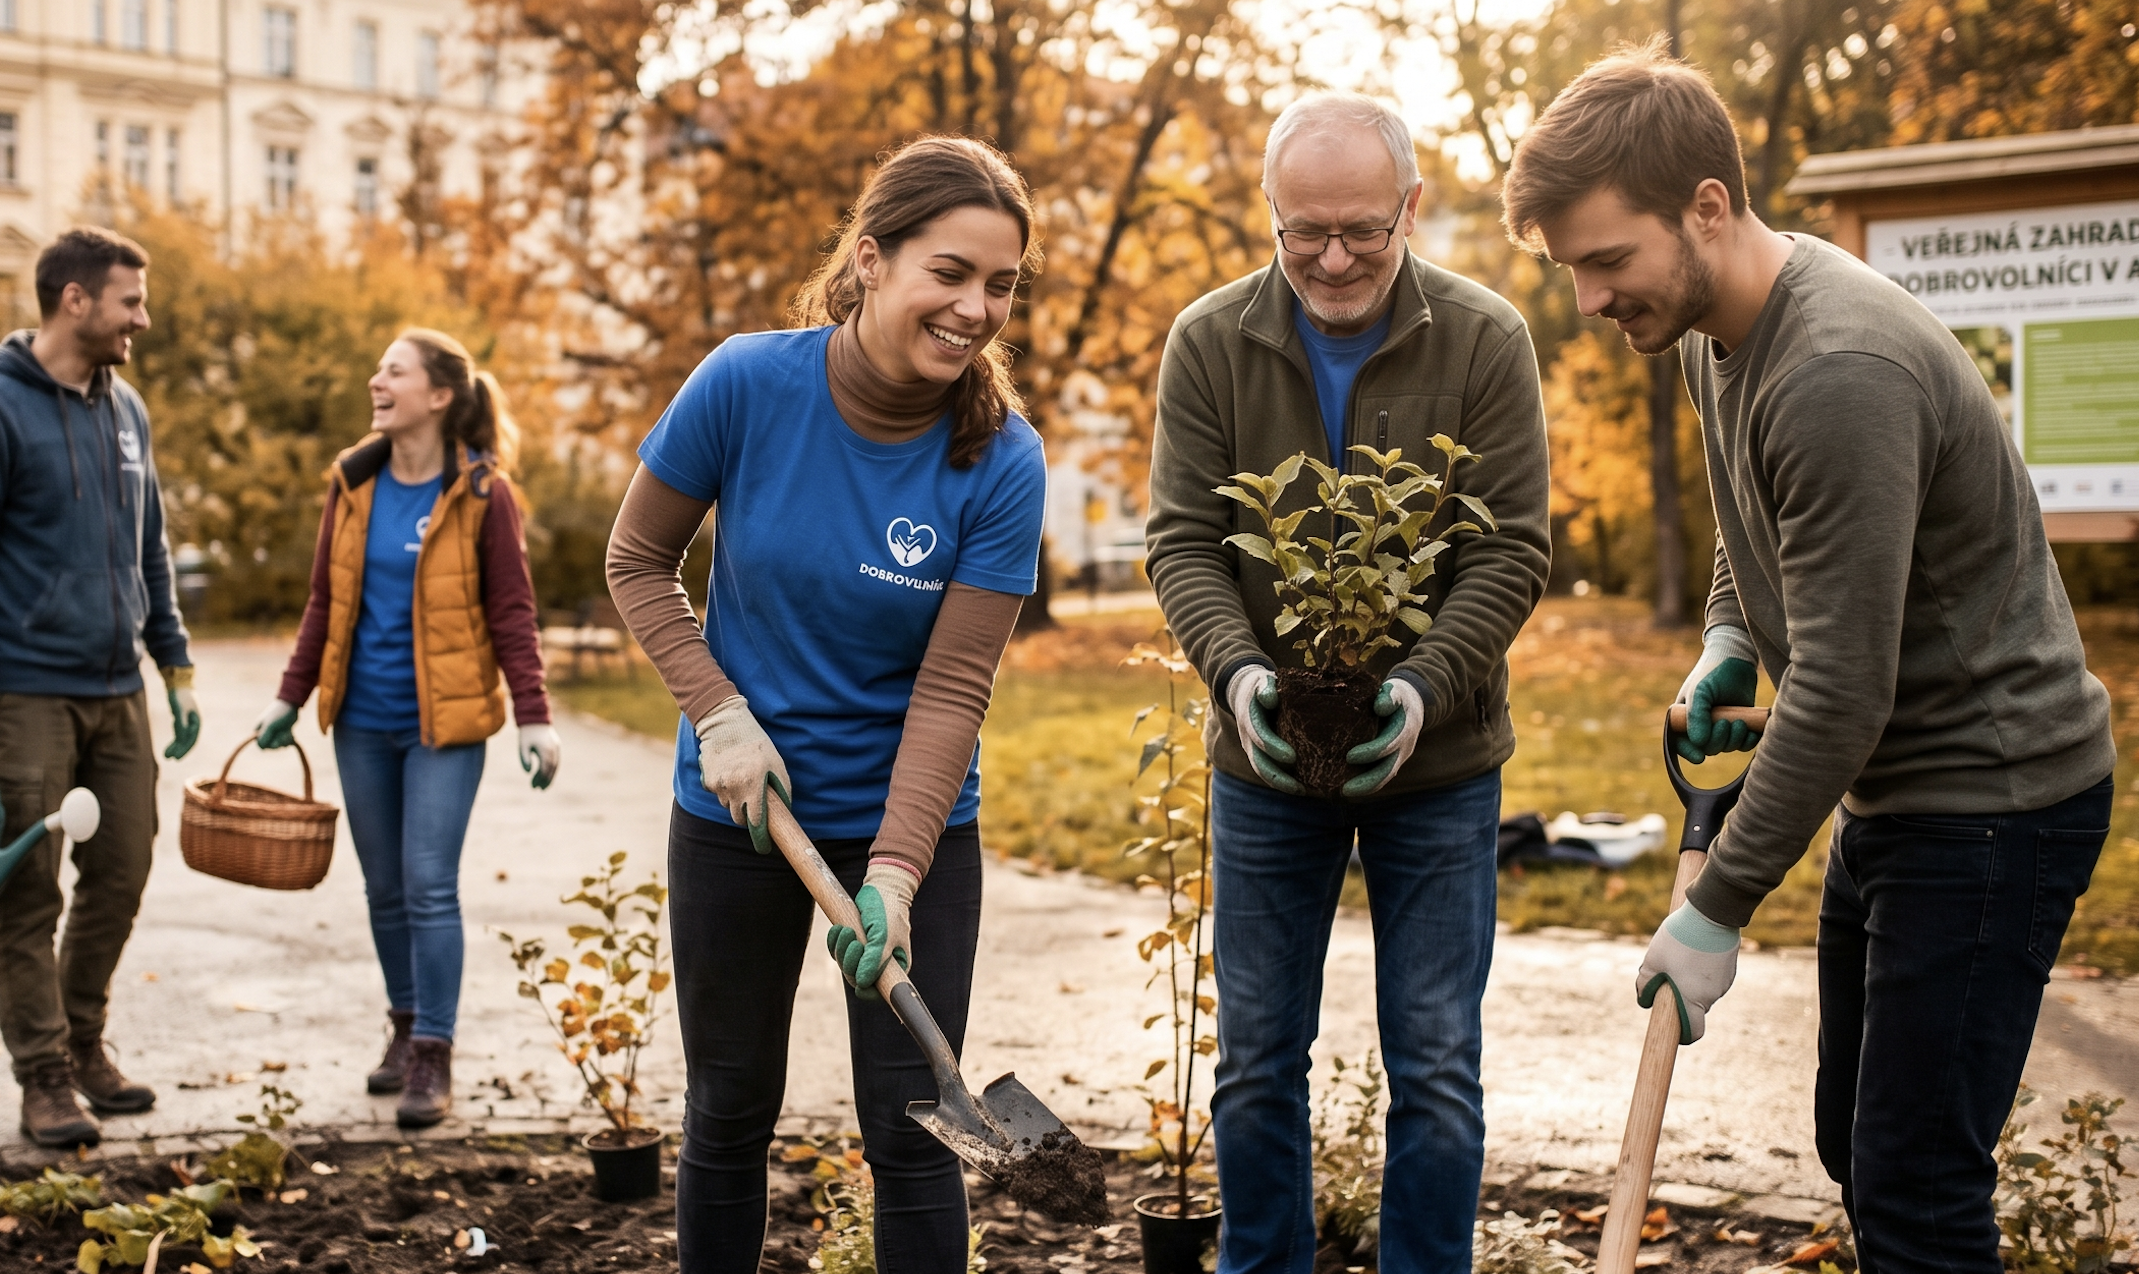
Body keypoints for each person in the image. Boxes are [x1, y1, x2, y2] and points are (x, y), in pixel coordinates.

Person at [1504, 44, 2117, 1268]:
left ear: (1707, 207)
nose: (1587, 299)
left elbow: (1843, 689)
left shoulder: (1837, 368)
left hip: (1994, 799)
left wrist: (1717, 905)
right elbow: (1754, 526)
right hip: (1898, 791)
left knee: (1916, 1187)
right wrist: (1730, 635)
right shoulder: (1703, 331)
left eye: (1606, 259)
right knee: (1857, 1139)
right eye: (1572, 268)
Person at [604, 136, 1048, 1274]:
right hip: (739, 812)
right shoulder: (748, 384)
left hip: (914, 826)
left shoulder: (1001, 460)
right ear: (868, 259)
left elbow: (954, 686)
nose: (975, 307)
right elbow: (636, 561)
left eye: (999, 284)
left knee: (914, 1136)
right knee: (728, 1113)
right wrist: (718, 712)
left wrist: (895, 871)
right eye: (948, 272)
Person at [1145, 92, 1552, 1272]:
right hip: (1266, 761)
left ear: (1411, 207)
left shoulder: (1485, 339)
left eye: (1364, 230)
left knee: (1433, 1055)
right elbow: (1182, 542)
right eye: (1301, 230)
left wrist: (1422, 685)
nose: (1332, 258)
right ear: (1268, 215)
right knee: (1258, 1052)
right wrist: (1236, 677)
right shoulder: (1210, 341)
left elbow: (1511, 548)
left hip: (1440, 766)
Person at [0, 226, 202, 1149]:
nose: (142, 320)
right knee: (28, 888)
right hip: (23, 691)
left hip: (117, 688)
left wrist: (176, 662)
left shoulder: (128, 412)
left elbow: (149, 545)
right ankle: (42, 1077)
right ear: (74, 300)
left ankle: (84, 1045)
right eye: (129, 301)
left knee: (122, 868)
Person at [253, 328, 560, 1130]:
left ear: (438, 396)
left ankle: (433, 1050)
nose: (375, 379)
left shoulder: (485, 495)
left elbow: (512, 610)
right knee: (383, 888)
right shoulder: (352, 482)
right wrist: (290, 697)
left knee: (427, 884)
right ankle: (400, 1026)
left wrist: (533, 716)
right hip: (360, 718)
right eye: (379, 367)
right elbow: (325, 598)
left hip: (445, 727)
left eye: (394, 370)